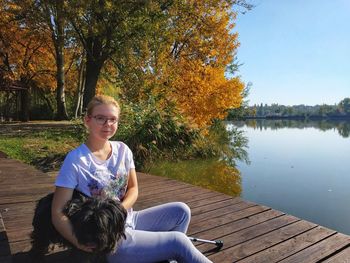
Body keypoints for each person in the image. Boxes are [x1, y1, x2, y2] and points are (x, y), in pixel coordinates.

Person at [51, 95, 212, 263]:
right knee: (178, 242)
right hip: (110, 236)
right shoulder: (76, 159)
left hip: (130, 218)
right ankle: (167, 251)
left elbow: (133, 189)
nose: (107, 124)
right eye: (100, 118)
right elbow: (57, 213)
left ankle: (165, 257)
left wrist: (119, 210)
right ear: (88, 120)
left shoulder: (123, 150)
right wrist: (79, 243)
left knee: (181, 211)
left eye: (113, 119)